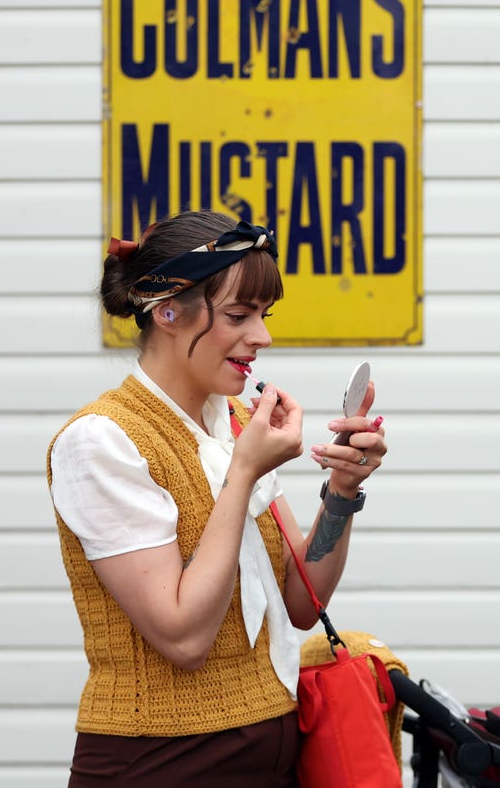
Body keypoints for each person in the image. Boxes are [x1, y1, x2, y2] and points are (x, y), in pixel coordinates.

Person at [47, 210, 387, 787]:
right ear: (169, 310)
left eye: (263, 314)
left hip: (269, 757)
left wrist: (341, 490)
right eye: (239, 315)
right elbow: (183, 636)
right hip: (160, 764)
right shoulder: (101, 439)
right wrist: (245, 471)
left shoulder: (233, 421)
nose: (263, 337)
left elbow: (301, 604)